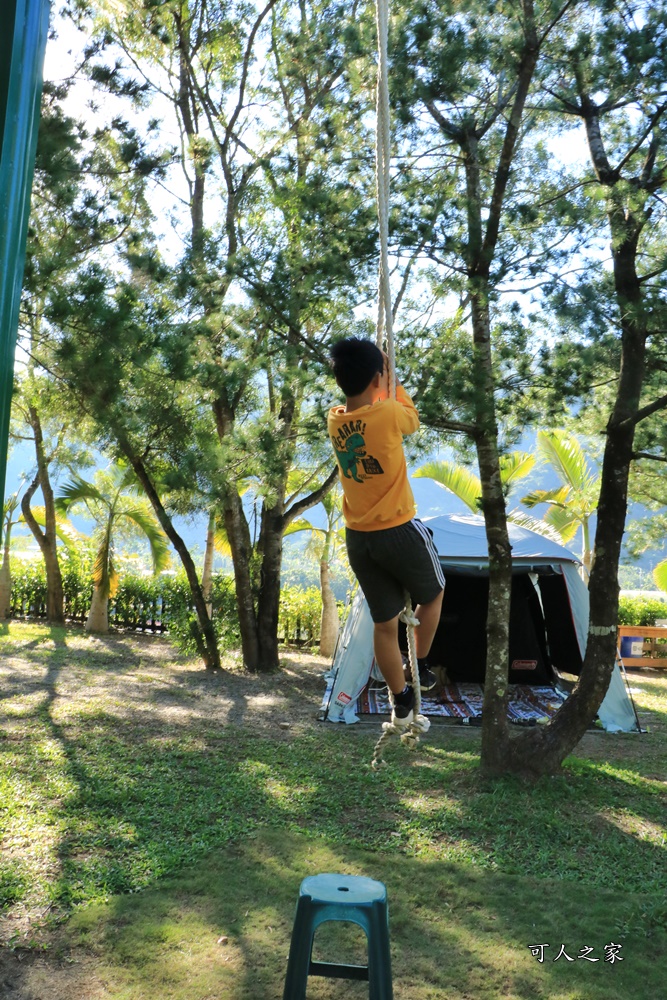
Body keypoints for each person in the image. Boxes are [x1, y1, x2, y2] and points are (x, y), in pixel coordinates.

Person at [328, 336, 445, 727]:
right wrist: (392, 374)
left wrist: (380, 373)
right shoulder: (391, 413)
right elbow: (411, 419)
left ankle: (399, 697)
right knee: (434, 595)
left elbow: (368, 409)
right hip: (398, 531)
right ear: (380, 379)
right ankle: (421, 664)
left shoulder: (335, 419)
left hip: (358, 538)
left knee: (384, 623)